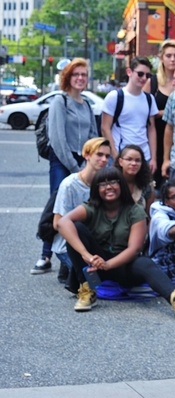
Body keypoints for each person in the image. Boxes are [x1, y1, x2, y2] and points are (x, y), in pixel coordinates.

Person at [57, 167, 175, 319]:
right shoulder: (91, 207)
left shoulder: (135, 211)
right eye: (103, 184)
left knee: (144, 262)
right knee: (75, 229)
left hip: (123, 266)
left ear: (121, 185)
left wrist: (107, 264)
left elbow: (134, 248)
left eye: (113, 182)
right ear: (96, 189)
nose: (109, 187)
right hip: (94, 266)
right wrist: (87, 256)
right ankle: (87, 291)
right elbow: (62, 222)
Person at [33, 58, 98, 275]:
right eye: (75, 74)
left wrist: (88, 163)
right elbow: (58, 139)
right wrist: (74, 167)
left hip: (83, 161)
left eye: (83, 75)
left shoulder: (87, 104)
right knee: (59, 206)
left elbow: (93, 137)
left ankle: (68, 259)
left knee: (79, 208)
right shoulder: (60, 102)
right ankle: (46, 255)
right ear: (67, 77)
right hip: (62, 160)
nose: (80, 78)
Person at [52, 138, 114, 292]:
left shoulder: (105, 183)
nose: (104, 159)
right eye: (99, 155)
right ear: (87, 155)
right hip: (69, 243)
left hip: (95, 240)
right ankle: (77, 279)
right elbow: (57, 223)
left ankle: (73, 272)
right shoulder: (69, 185)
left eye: (107, 156)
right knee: (95, 275)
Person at [144, 39, 175, 190]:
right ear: (161, 58)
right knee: (154, 181)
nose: (172, 59)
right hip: (155, 135)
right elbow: (143, 110)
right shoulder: (152, 82)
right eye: (168, 55)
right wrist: (163, 113)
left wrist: (162, 112)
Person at [101, 56, 158, 169]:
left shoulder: (149, 99)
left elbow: (151, 129)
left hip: (144, 158)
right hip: (122, 156)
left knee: (142, 187)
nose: (144, 78)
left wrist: (153, 158)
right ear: (129, 72)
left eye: (148, 75)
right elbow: (105, 128)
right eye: (140, 74)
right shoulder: (115, 97)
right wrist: (115, 156)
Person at [114, 144, 155, 214]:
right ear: (120, 162)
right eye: (129, 159)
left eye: (138, 160)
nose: (133, 163)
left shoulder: (147, 185)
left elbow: (149, 216)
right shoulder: (111, 182)